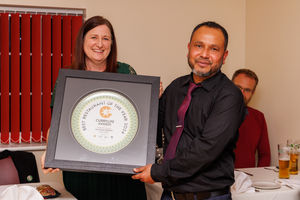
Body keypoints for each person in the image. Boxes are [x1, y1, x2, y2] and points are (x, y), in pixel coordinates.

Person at [132, 21, 245, 200]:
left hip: (208, 197)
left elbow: (206, 149)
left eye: (214, 49)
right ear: (189, 48)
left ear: (224, 56)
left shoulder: (230, 96)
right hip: (170, 195)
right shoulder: (176, 88)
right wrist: (146, 102)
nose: (204, 54)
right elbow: (149, 130)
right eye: (198, 46)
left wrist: (158, 172)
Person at [41, 16, 149, 200]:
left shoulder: (126, 72)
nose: (100, 44)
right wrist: (50, 150)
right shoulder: (68, 79)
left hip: (121, 170)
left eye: (106, 38)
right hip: (83, 172)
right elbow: (57, 124)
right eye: (94, 37)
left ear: (112, 43)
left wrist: (150, 99)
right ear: (82, 40)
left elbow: (137, 117)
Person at [232, 69, 271, 168]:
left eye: (247, 90)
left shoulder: (258, 117)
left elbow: (265, 155)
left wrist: (258, 177)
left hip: (248, 179)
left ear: (253, 93)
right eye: (238, 87)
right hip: (216, 180)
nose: (241, 93)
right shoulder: (213, 112)